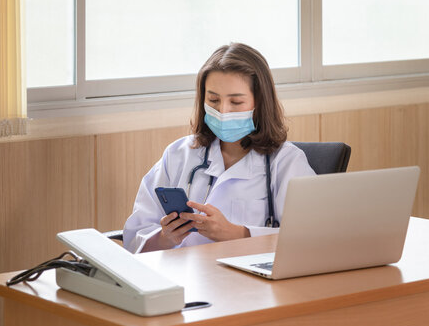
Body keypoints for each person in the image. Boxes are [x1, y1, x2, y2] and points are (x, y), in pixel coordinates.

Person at [123, 43, 315, 253]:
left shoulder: (287, 162)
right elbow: (135, 234)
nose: (223, 111)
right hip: (182, 278)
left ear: (259, 102)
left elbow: (309, 240)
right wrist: (164, 238)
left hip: (250, 282)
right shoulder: (178, 154)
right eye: (213, 100)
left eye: (236, 102)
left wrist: (235, 234)